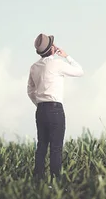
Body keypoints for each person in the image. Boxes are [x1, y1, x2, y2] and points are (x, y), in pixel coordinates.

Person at [27, 33, 84, 184]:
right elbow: (79, 71)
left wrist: (40, 103)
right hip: (55, 109)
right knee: (56, 148)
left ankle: (37, 181)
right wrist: (67, 56)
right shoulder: (57, 64)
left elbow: (30, 91)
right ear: (52, 48)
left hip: (40, 110)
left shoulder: (34, 67)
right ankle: (55, 183)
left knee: (42, 146)